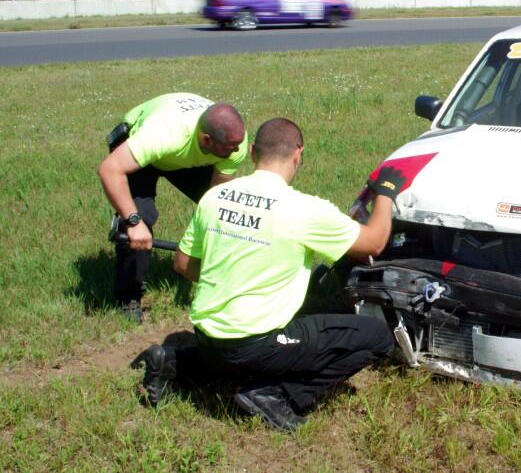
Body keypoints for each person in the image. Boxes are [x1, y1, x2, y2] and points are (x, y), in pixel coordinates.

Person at [141, 117, 404, 432]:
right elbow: (372, 242)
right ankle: (274, 395)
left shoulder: (214, 197)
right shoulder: (304, 210)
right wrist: (386, 192)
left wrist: (231, 275)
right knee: (377, 337)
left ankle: (176, 362)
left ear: (251, 152)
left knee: (234, 353)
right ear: (298, 155)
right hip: (257, 345)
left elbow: (182, 264)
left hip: (207, 336)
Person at [98, 93, 247, 322]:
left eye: (237, 146)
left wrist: (210, 237)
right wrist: (133, 222)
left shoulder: (235, 142)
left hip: (183, 154)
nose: (237, 153)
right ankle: (128, 296)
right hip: (146, 149)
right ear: (207, 140)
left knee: (229, 213)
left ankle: (227, 279)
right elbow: (110, 169)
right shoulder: (163, 134)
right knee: (141, 217)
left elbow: (218, 202)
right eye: (230, 148)